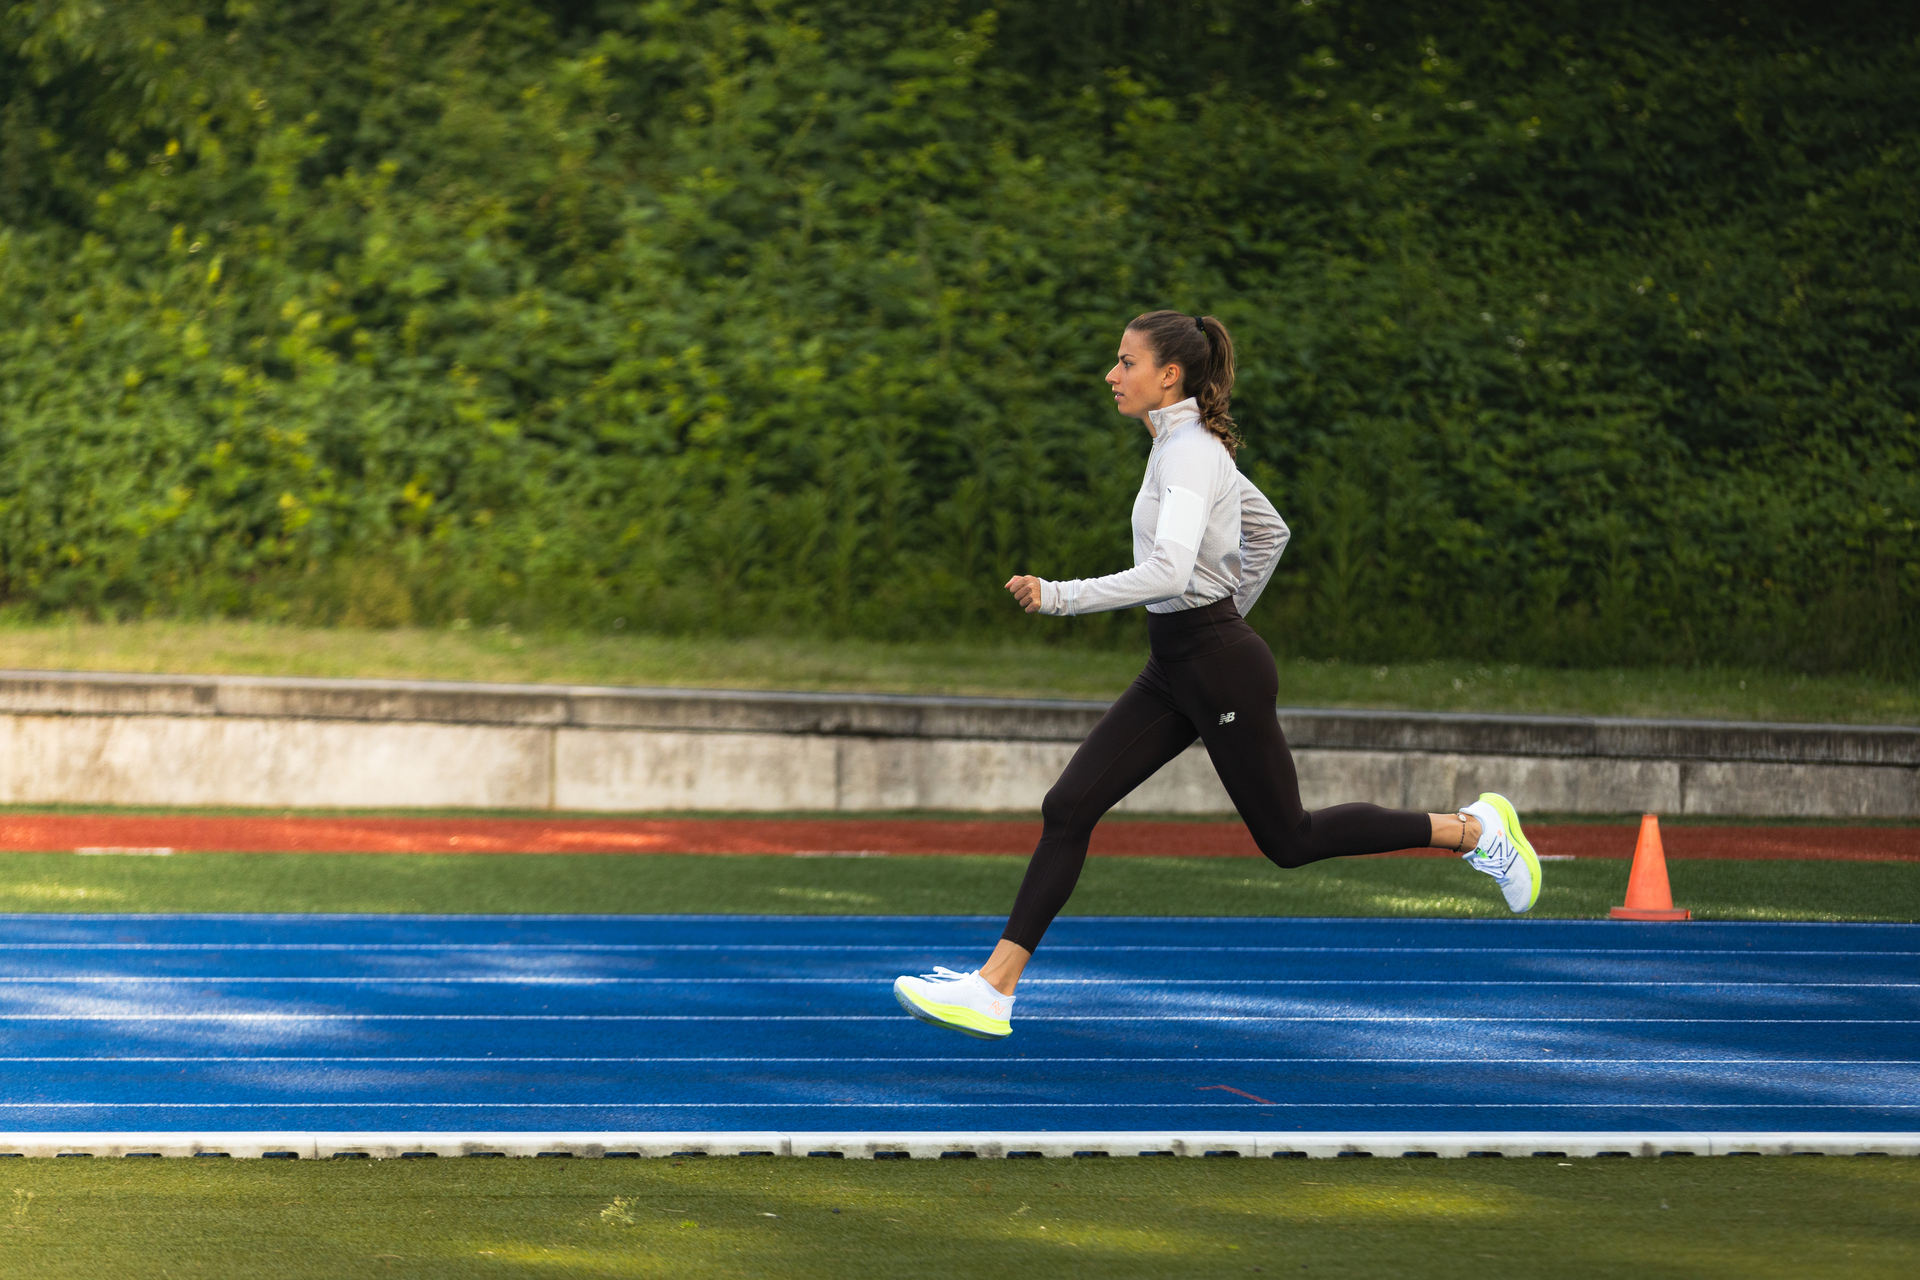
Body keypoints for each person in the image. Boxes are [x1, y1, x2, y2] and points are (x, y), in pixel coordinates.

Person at [893, 310, 1541, 1041]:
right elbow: (1268, 531)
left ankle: (1473, 830)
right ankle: (994, 989)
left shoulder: (1190, 453)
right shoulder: (1181, 447)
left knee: (1289, 839)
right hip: (1180, 663)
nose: (1111, 375)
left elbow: (1171, 570)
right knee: (1068, 807)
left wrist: (1065, 597)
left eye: (1126, 362)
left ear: (1168, 375)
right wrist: (1219, 617)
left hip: (1213, 666)